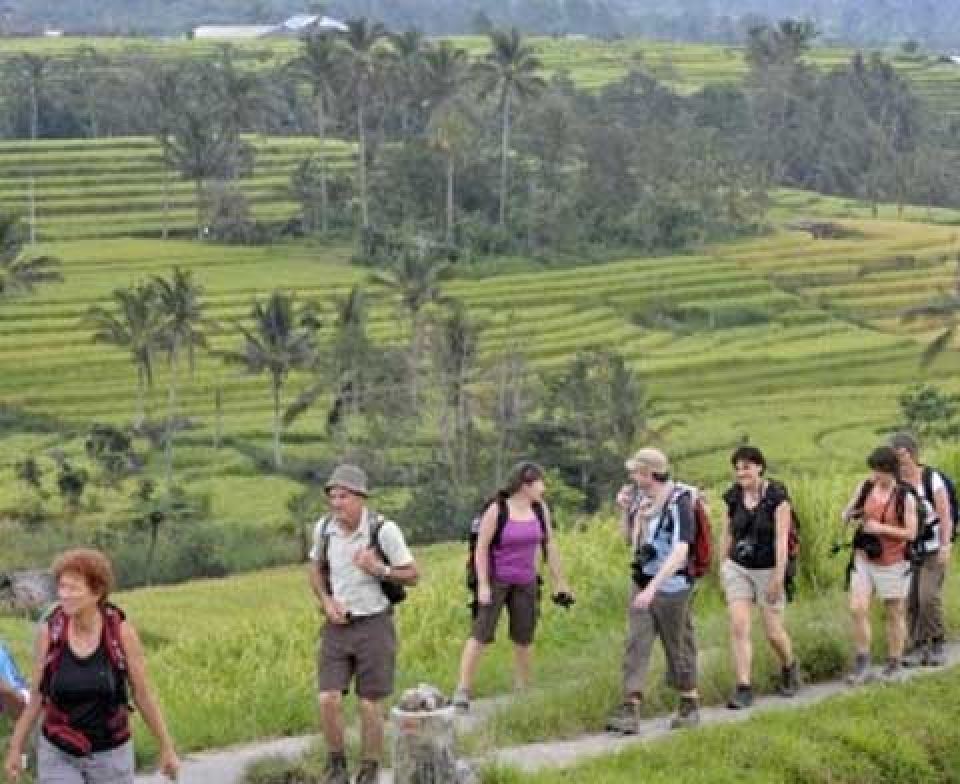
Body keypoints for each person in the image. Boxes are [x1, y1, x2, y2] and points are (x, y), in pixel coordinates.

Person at [3, 548, 179, 784]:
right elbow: (37, 697)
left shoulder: (120, 633)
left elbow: (142, 694)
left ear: (97, 592)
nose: (64, 595)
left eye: (73, 588)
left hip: (110, 752)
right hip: (59, 750)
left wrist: (166, 746)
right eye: (62, 587)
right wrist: (16, 748)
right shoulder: (50, 632)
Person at [308, 464, 418, 784]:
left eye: (343, 496)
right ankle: (336, 766)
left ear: (360, 498)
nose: (336, 503)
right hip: (337, 625)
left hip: (375, 624)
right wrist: (326, 602)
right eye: (332, 497)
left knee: (370, 703)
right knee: (328, 698)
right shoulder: (324, 529)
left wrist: (378, 569)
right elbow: (314, 568)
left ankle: (370, 768)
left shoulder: (384, 530)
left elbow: (413, 575)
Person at [452, 461, 572, 713]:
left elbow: (549, 545)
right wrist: (483, 585)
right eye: (540, 483)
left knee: (524, 636)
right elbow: (481, 548)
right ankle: (463, 689)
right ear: (525, 485)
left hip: (526, 580)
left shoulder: (539, 509)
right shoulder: (498, 510)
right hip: (497, 579)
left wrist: (560, 581)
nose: (543, 488)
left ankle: (523, 687)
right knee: (481, 633)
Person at [607, 448, 700, 734]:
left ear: (649, 473)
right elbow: (628, 540)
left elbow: (681, 552)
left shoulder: (679, 501)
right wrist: (624, 511)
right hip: (642, 580)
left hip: (673, 586)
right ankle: (630, 707)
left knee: (678, 646)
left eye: (636, 472)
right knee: (636, 643)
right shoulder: (639, 499)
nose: (632, 477)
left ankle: (688, 702)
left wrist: (653, 589)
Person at [721, 446, 800, 708]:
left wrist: (778, 576)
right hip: (738, 567)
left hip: (768, 568)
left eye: (746, 467)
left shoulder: (777, 498)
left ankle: (789, 665)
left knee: (773, 632)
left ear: (760, 467)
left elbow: (781, 539)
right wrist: (723, 565)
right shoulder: (733, 497)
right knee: (739, 625)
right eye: (737, 468)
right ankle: (743, 687)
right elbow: (727, 532)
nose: (741, 473)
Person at [841, 446, 918, 684]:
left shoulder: (905, 497)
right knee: (857, 608)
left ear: (890, 470)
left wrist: (881, 528)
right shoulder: (866, 487)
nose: (874, 475)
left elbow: (911, 533)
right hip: (864, 557)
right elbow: (848, 510)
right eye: (873, 470)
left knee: (894, 612)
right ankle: (863, 662)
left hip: (893, 561)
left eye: (879, 471)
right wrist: (848, 515)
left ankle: (894, 661)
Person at [888, 432, 953, 667]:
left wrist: (946, 545)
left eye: (902, 455)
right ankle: (917, 645)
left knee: (928, 597)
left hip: (934, 547)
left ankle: (937, 642)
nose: (899, 461)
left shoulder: (932, 478)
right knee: (911, 600)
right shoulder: (894, 482)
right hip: (909, 549)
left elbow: (945, 516)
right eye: (895, 457)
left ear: (912, 454)